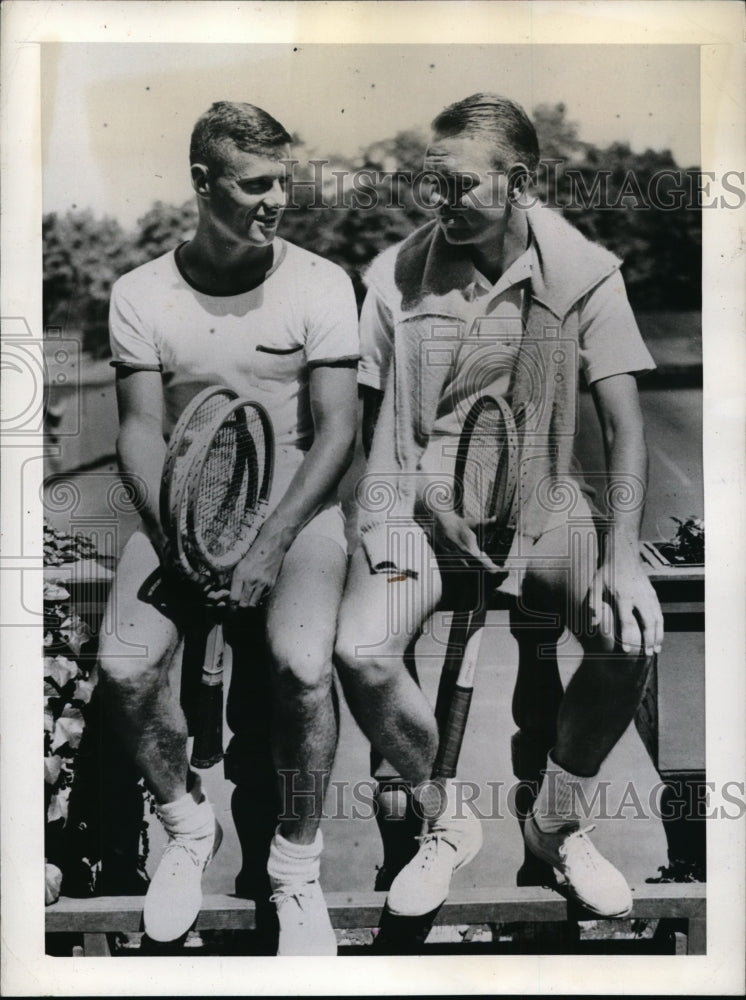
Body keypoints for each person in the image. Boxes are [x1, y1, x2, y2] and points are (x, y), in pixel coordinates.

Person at [335, 92, 664, 919]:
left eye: (457, 186)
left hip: (545, 499)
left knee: (629, 637)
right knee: (363, 652)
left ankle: (557, 822)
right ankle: (447, 823)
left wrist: (622, 558)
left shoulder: (587, 272)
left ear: (518, 182)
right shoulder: (392, 277)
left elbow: (624, 427)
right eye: (428, 183)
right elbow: (372, 435)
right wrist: (421, 498)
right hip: (419, 501)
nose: (436, 202)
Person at [98, 101, 358, 954]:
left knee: (300, 664)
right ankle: (185, 825)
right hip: (184, 521)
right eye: (255, 183)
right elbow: (137, 430)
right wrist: (177, 541)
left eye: (284, 179)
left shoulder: (321, 282)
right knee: (124, 669)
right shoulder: (138, 292)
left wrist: (271, 544)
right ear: (203, 183)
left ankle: (296, 869)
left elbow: (338, 431)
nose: (277, 198)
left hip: (296, 518)